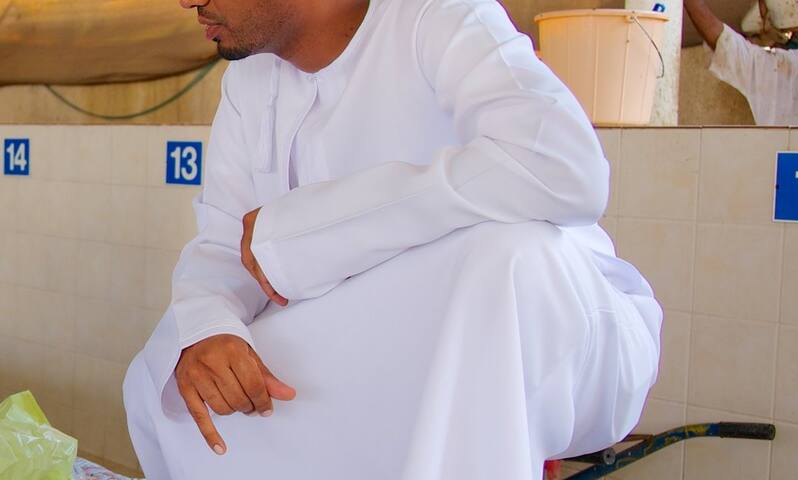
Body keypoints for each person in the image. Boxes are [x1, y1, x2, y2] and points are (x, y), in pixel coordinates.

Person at [121, 0, 663, 477]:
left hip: (549, 326)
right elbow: (224, 244)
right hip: (367, 337)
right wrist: (212, 331)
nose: (186, 1)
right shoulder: (247, 80)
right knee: (172, 355)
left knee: (504, 256)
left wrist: (314, 230)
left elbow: (564, 169)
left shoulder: (439, 15)